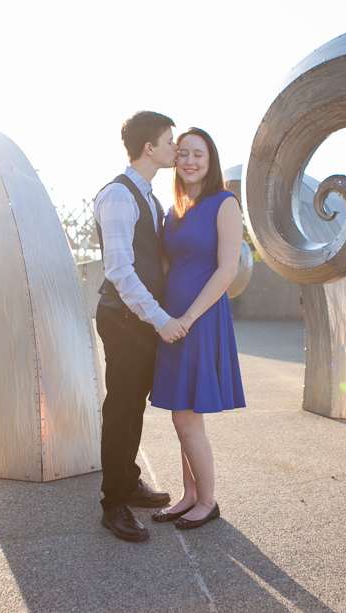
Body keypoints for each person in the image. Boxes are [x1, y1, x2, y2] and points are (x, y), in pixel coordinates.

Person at [94, 111, 189, 542]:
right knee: (120, 409)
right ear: (149, 148)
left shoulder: (149, 198)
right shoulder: (118, 195)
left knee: (134, 407)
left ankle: (128, 481)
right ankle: (113, 503)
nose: (177, 148)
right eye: (170, 141)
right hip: (122, 318)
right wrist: (161, 319)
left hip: (142, 321)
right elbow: (119, 270)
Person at [149, 127, 246, 530]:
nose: (189, 161)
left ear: (211, 160)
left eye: (198, 154)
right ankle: (188, 495)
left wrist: (188, 317)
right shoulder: (176, 209)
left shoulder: (224, 203)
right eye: (183, 153)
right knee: (180, 416)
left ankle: (207, 500)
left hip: (198, 321)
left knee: (189, 420)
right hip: (173, 321)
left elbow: (228, 269)